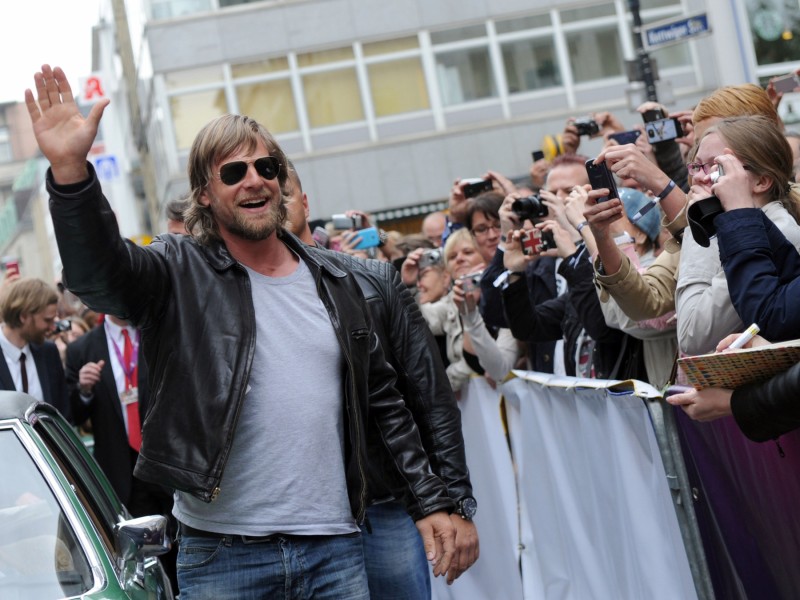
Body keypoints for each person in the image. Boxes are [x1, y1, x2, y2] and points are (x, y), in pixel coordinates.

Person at [28, 64, 456, 599]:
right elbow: (100, 276)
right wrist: (71, 176)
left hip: (336, 548)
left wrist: (439, 500)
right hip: (223, 556)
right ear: (204, 194)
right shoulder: (177, 271)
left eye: (266, 166)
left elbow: (384, 402)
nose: (254, 179)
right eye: (232, 172)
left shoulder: (338, 280)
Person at [282, 162, 479, 596]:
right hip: (295, 514)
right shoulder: (237, 294)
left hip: (384, 500)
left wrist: (457, 501)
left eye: (284, 193)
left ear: (306, 203)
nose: (271, 203)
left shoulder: (375, 281)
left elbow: (432, 397)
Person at [65, 314, 178, 590]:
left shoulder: (158, 330)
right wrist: (84, 389)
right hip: (122, 473)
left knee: (177, 552)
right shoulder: (82, 349)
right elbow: (73, 414)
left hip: (166, 467)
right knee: (141, 562)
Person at [675, 115, 800, 355]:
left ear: (761, 181)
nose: (700, 177)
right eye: (697, 166)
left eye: (717, 167)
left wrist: (697, 229)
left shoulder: (779, 232)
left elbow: (693, 334)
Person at [0, 277, 69, 418]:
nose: (52, 327)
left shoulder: (49, 352)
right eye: (47, 320)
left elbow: (63, 414)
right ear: (23, 316)